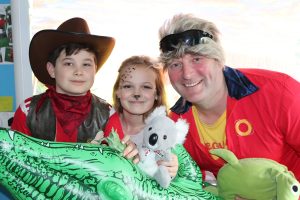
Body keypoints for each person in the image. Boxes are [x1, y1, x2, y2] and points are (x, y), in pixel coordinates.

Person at [158, 13, 300, 182]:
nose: (187, 74)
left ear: (218, 60)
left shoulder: (279, 94)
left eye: (197, 59)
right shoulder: (175, 126)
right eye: (176, 64)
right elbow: (191, 179)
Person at [11, 17, 115, 143]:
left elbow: (118, 159)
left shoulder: (108, 114)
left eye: (86, 64)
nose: (78, 71)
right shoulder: (28, 111)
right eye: (68, 64)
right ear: (52, 69)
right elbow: (14, 158)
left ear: (95, 69)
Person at [104, 55, 178, 177]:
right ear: (117, 91)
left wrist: (173, 167)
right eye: (128, 86)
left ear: (157, 94)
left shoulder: (165, 130)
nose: (137, 93)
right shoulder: (102, 119)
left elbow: (174, 161)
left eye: (146, 87)